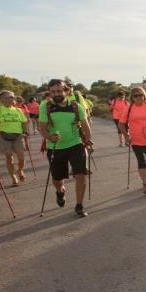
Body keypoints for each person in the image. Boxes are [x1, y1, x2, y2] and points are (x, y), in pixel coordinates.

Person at [39, 79, 93, 218]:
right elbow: (42, 128)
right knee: (57, 179)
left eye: (59, 91)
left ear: (66, 91)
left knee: (80, 174)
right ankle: (59, 192)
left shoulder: (75, 106)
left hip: (76, 144)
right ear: (49, 93)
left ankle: (79, 205)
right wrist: (50, 137)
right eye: (53, 92)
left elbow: (85, 126)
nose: (56, 94)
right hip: (55, 147)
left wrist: (89, 140)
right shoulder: (46, 106)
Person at [0, 90, 28, 187]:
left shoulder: (18, 110)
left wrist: (25, 132)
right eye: (8, 97)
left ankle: (20, 170)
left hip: (18, 136)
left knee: (21, 157)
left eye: (12, 96)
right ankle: (13, 177)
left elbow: (24, 122)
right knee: (9, 156)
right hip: (4, 136)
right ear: (2, 100)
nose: (11, 98)